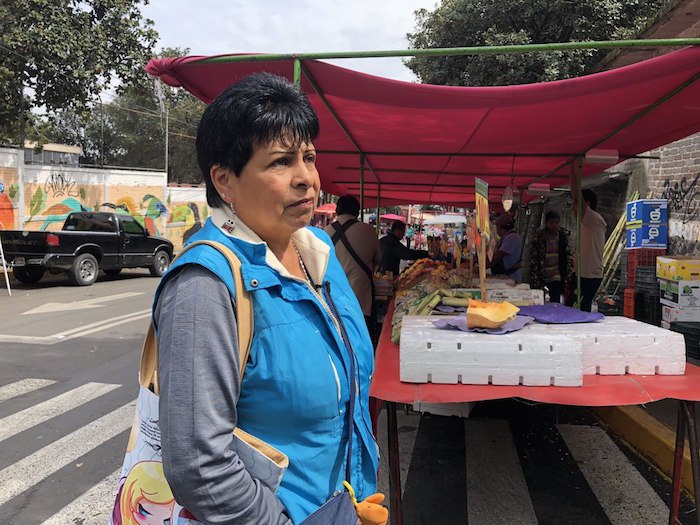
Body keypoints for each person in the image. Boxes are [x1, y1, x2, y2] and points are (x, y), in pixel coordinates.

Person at [154, 73, 379, 524]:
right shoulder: (205, 286)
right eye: (281, 162)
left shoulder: (318, 252)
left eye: (309, 157)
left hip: (344, 506)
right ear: (225, 180)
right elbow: (200, 466)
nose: (306, 179)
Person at [325, 195, 381, 340]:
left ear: (337, 210)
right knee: (360, 337)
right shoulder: (368, 231)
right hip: (360, 296)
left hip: (331, 295)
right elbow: (378, 259)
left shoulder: (326, 232)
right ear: (357, 211)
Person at [566, 171, 607, 312]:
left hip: (588, 276)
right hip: (583, 274)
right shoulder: (587, 222)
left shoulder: (592, 218)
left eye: (575, 204)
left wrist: (572, 170)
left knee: (575, 308)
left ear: (586, 204)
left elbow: (576, 195)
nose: (572, 208)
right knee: (577, 306)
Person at [528, 210, 573, 303]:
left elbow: (568, 256)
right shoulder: (539, 238)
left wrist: (568, 274)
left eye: (556, 222)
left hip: (556, 274)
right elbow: (534, 257)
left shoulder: (562, 237)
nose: (554, 225)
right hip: (542, 273)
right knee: (539, 300)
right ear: (546, 223)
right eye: (552, 222)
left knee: (555, 300)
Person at [490, 213, 523, 284]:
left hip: (511, 277)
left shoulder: (512, 238)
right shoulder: (504, 238)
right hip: (504, 276)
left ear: (499, 226)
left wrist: (482, 267)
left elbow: (498, 256)